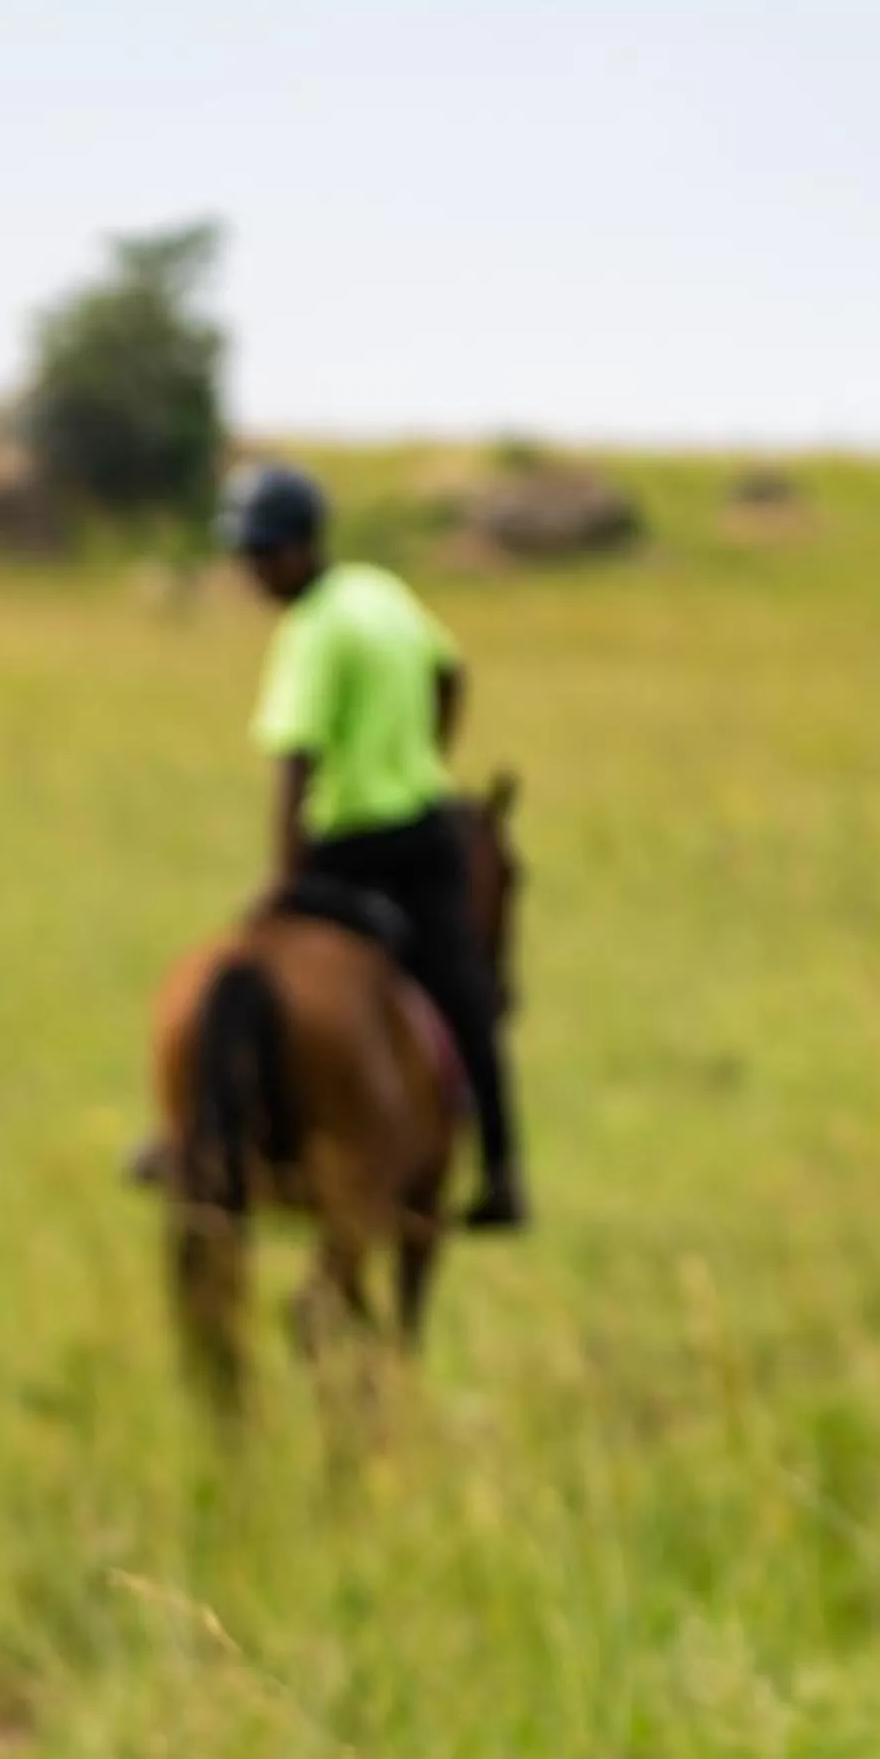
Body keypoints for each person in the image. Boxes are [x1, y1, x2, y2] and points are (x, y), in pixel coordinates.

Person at [224, 460, 528, 1233]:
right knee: (465, 998)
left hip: (343, 850)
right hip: (424, 834)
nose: (252, 572)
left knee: (248, 965)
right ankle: (500, 1171)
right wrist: (425, 757)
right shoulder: (382, 592)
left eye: (262, 556)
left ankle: (207, 1138)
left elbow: (295, 758)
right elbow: (450, 671)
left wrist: (285, 878)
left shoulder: (312, 630)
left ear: (299, 548)